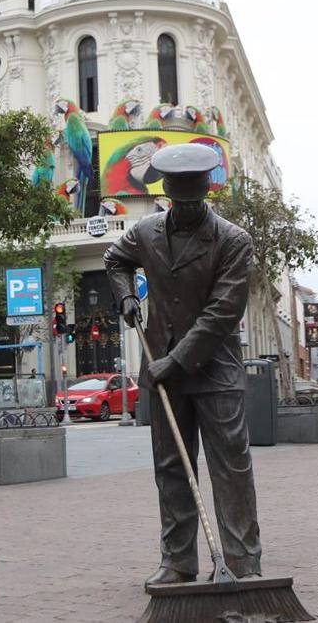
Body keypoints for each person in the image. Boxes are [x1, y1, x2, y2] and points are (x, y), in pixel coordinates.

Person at [104, 142, 261, 586]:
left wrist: (174, 361)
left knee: (230, 467)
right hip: (163, 372)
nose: (187, 209)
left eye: (195, 202)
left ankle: (243, 561)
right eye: (180, 201)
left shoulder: (233, 241)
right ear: (168, 193)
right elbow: (114, 260)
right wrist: (127, 296)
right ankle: (177, 560)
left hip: (214, 370)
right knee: (172, 469)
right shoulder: (146, 232)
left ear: (207, 191)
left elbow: (221, 314)